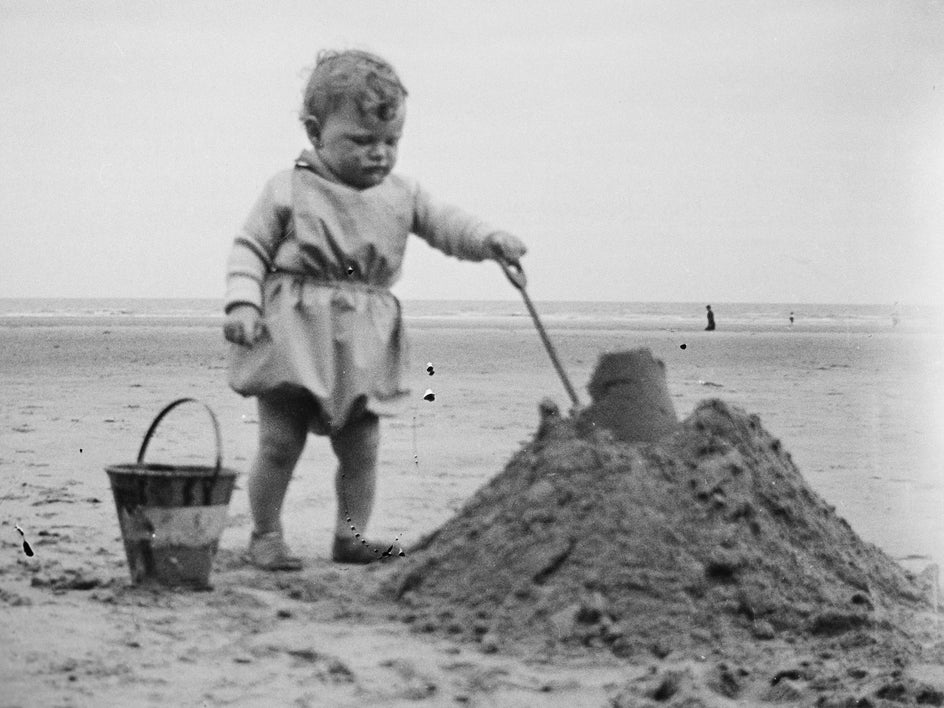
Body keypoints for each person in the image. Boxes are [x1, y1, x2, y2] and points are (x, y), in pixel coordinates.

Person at [222, 50, 527, 569]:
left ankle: (351, 535)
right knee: (279, 442)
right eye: (361, 141)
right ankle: (266, 534)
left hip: (364, 339)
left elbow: (448, 225)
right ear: (316, 132)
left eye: (391, 141)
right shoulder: (289, 187)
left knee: (362, 449)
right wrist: (243, 303)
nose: (379, 154)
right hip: (294, 332)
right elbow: (249, 248)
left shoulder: (401, 193)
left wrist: (489, 239)